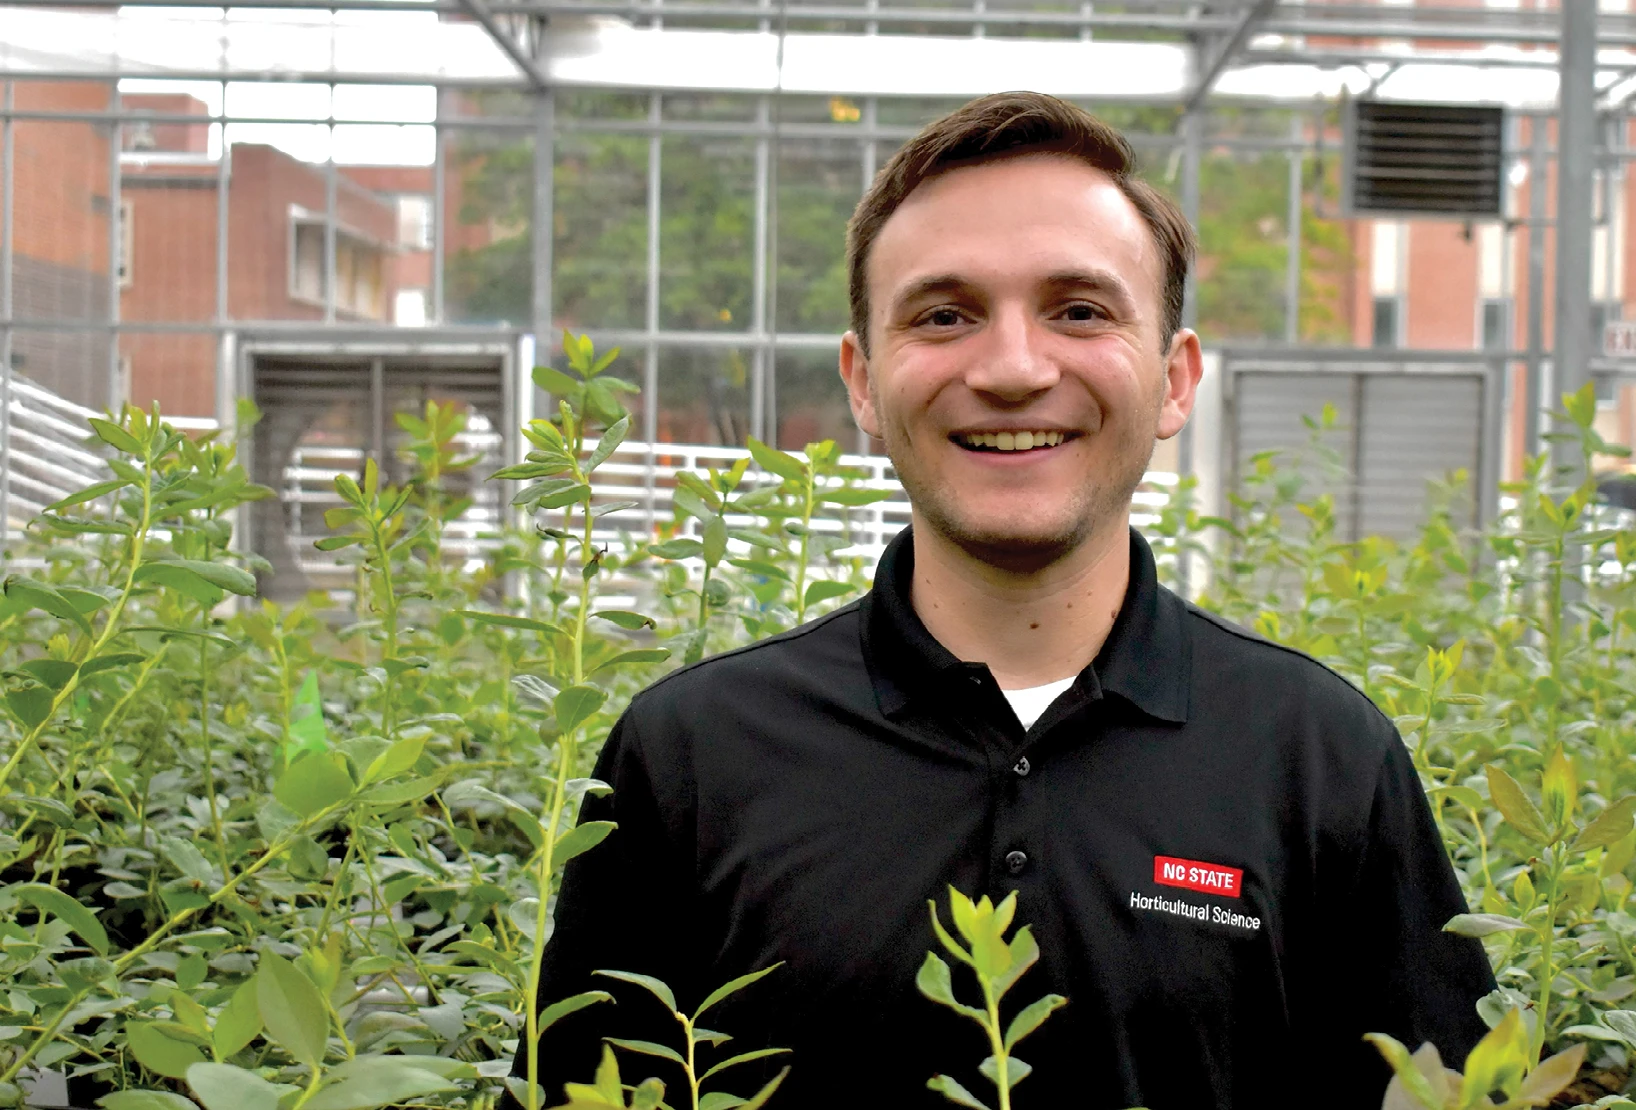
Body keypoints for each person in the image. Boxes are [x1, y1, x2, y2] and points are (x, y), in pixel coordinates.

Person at [514, 90, 1495, 1109]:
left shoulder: (1319, 757)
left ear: (1173, 379)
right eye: (944, 315)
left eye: (1079, 310)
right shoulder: (692, 755)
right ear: (863, 382)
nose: (1015, 369)